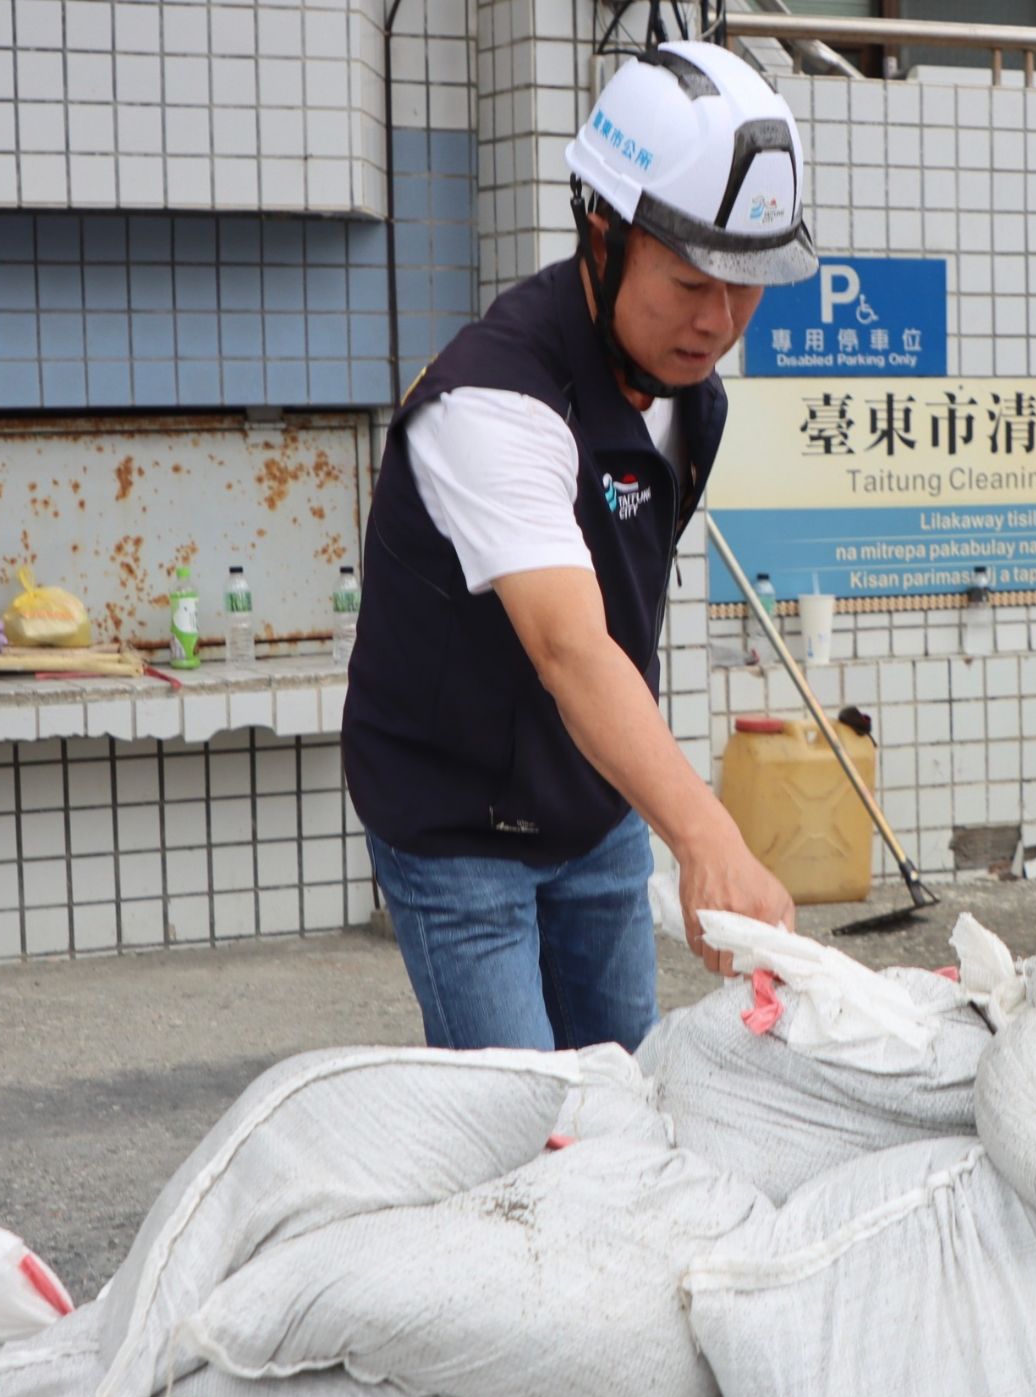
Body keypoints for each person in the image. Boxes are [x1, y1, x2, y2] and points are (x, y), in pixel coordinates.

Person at [342, 42, 813, 1051]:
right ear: (600, 231)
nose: (718, 322)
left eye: (747, 288)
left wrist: (653, 813)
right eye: (690, 281)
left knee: (623, 1093)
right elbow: (571, 646)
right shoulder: (492, 405)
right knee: (525, 1125)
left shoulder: (692, 404)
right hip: (454, 817)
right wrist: (705, 835)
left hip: (591, 804)